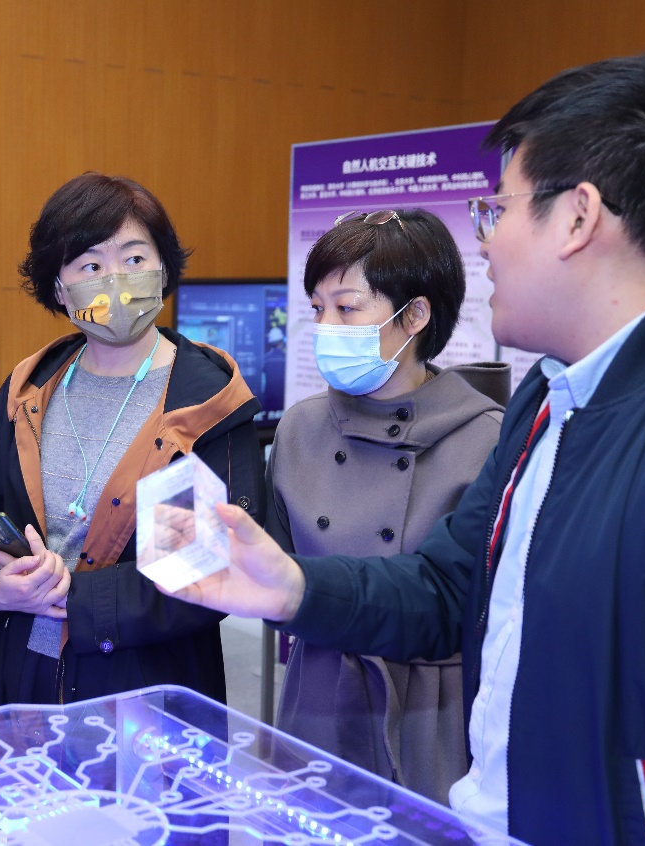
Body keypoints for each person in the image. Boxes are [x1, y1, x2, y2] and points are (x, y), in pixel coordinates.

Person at [165, 53, 645, 843]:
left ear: (577, 218)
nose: (485, 244)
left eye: (495, 210)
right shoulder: (551, 397)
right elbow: (448, 589)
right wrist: (290, 587)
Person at [0, 173, 264, 708]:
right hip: (16, 677)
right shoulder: (29, 387)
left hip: (144, 693)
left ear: (163, 270)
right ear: (59, 287)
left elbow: (205, 568)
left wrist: (74, 598)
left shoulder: (201, 400)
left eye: (134, 258)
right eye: (91, 266)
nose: (116, 280)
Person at [268, 209, 507, 804]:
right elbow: (274, 585)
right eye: (318, 309)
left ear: (415, 316)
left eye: (347, 308)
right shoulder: (299, 429)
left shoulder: (486, 438)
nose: (326, 327)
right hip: (316, 698)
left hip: (431, 713)